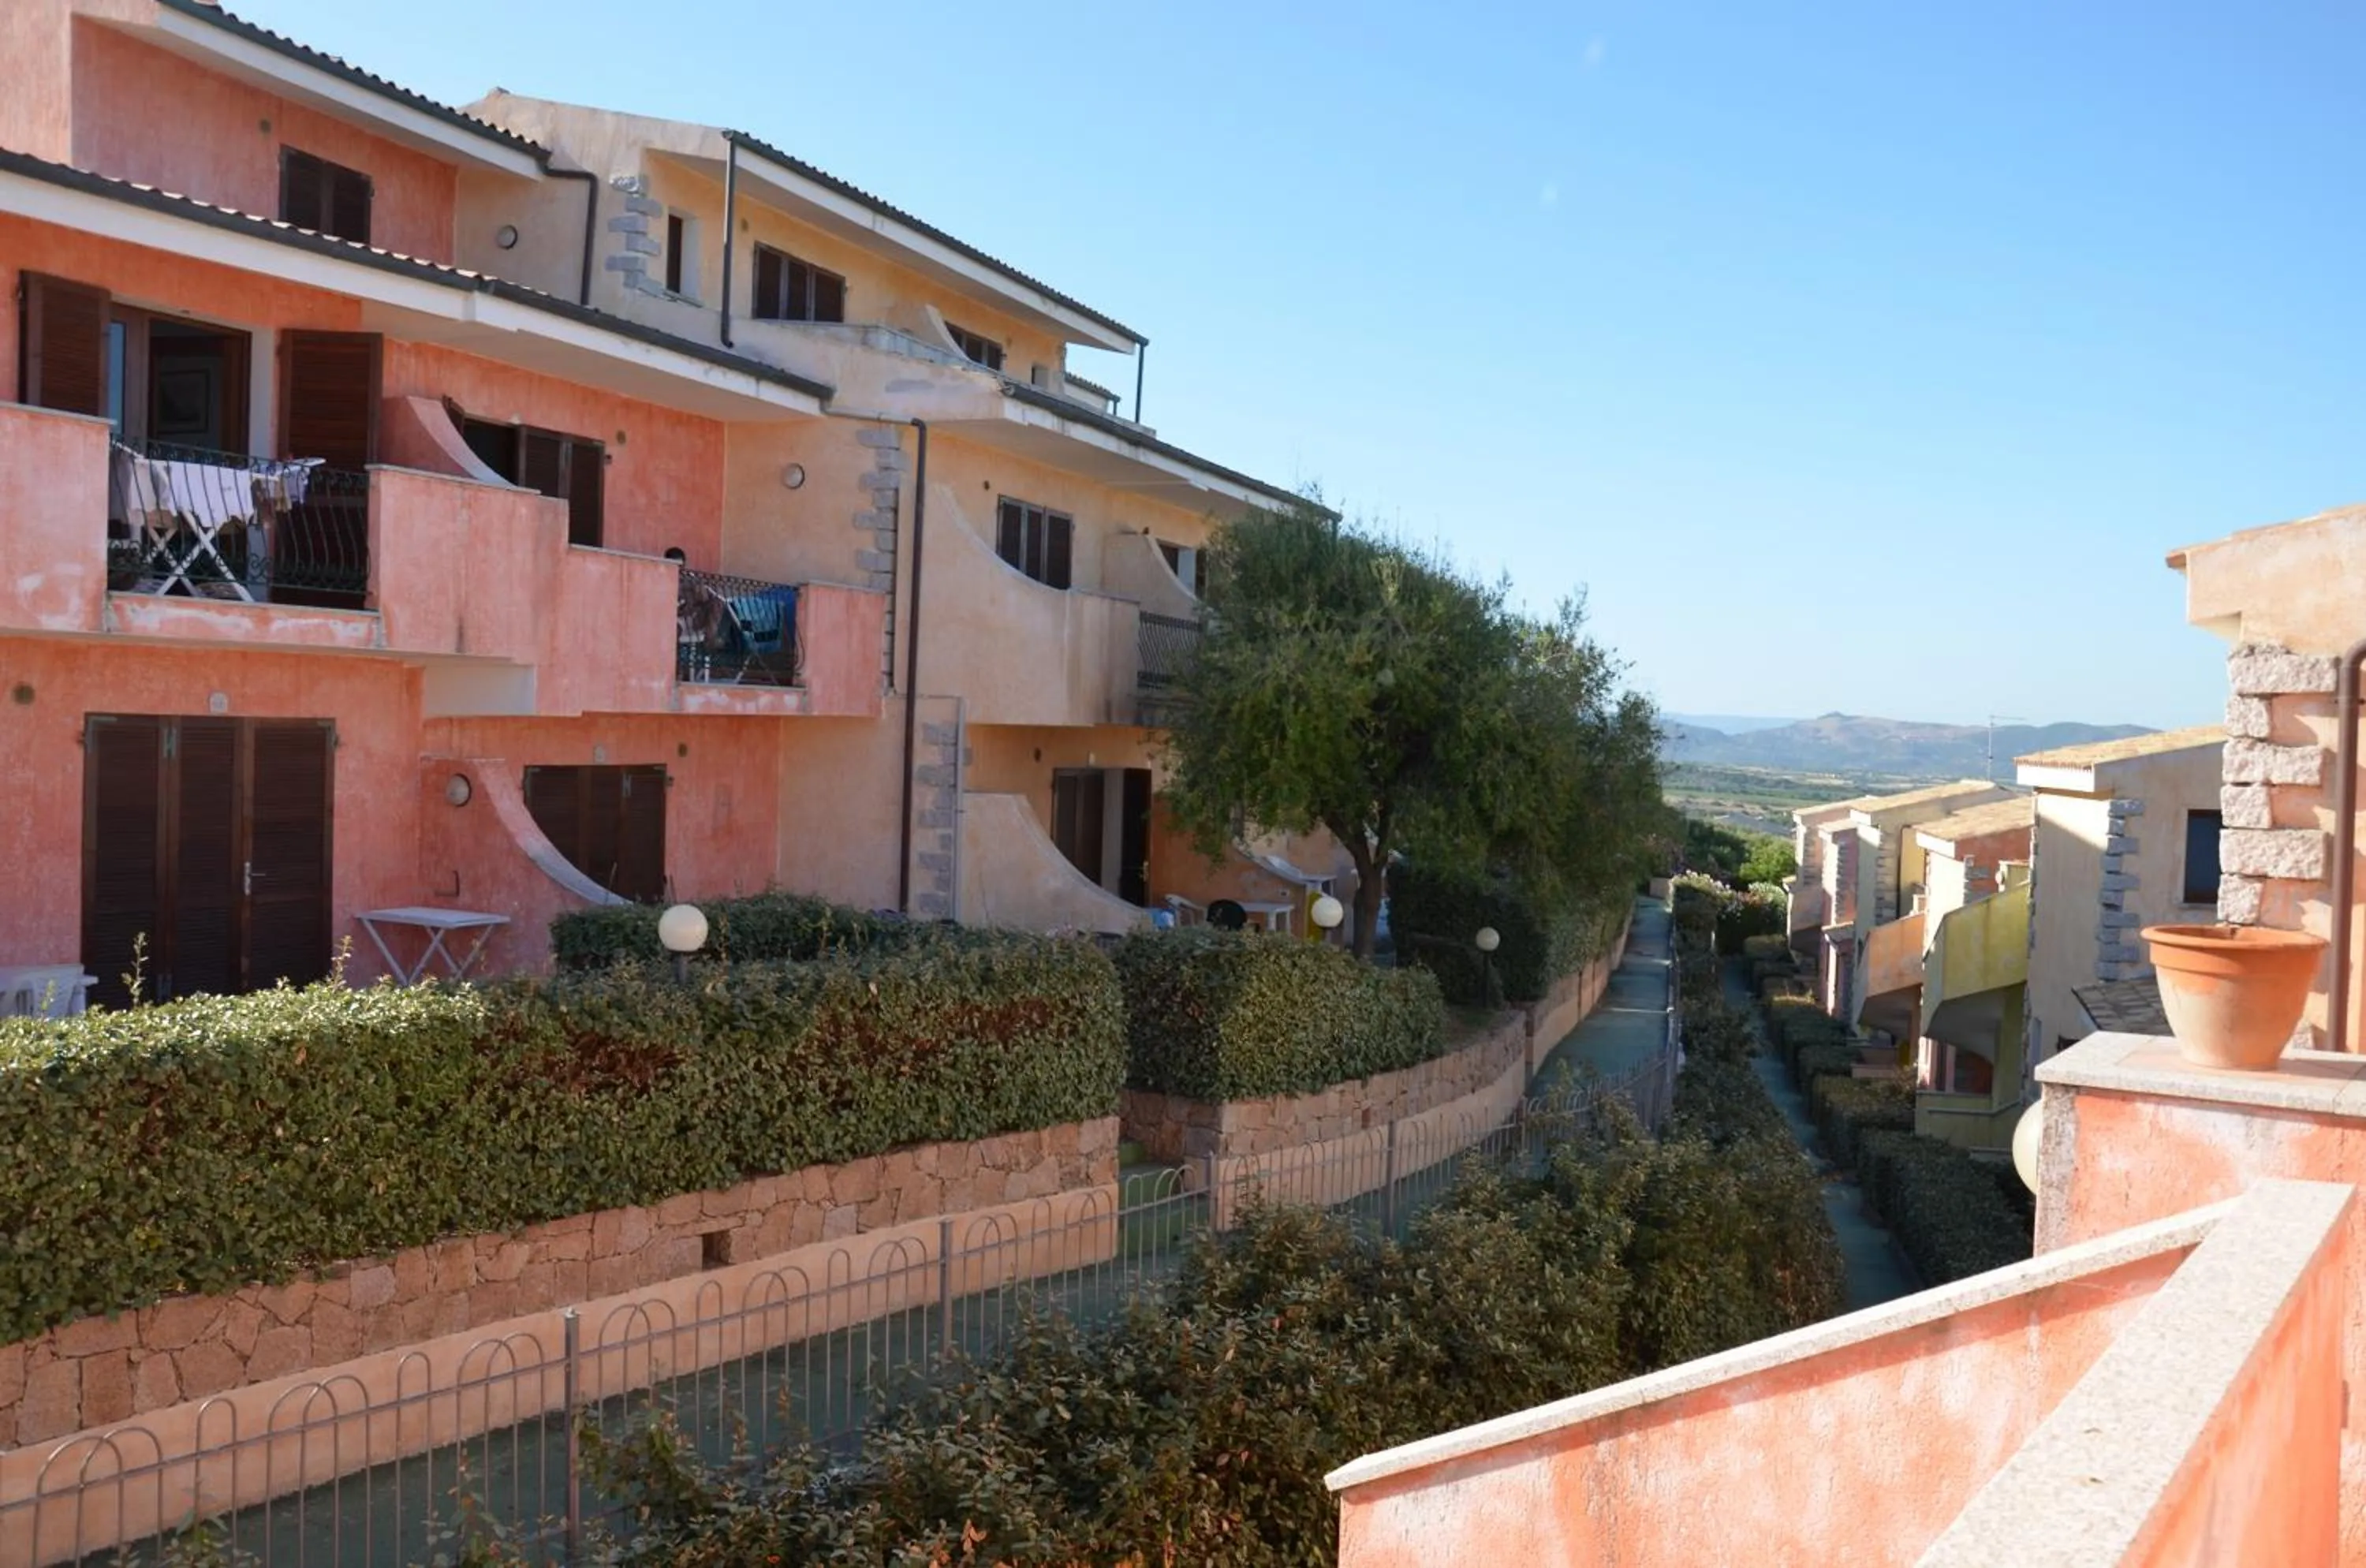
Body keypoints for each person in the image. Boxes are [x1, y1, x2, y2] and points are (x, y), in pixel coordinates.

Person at [667, 547, 730, 677]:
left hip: (692, 619)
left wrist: (699, 591)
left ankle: (710, 637)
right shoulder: (661, 580)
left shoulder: (690, 580)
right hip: (673, 621)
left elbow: (705, 600)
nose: (679, 569)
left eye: (681, 565)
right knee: (673, 631)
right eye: (675, 565)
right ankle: (676, 671)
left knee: (717, 602)